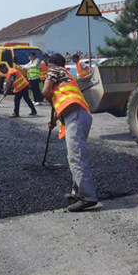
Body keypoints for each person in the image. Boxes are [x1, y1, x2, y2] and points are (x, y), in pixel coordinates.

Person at [42, 52, 98, 212]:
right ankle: (77, 190)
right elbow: (59, 99)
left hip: (76, 115)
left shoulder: (54, 71)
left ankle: (87, 197)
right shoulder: (65, 75)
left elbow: (46, 92)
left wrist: (48, 98)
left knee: (76, 156)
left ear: (50, 64)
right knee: (73, 154)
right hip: (80, 114)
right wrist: (53, 120)